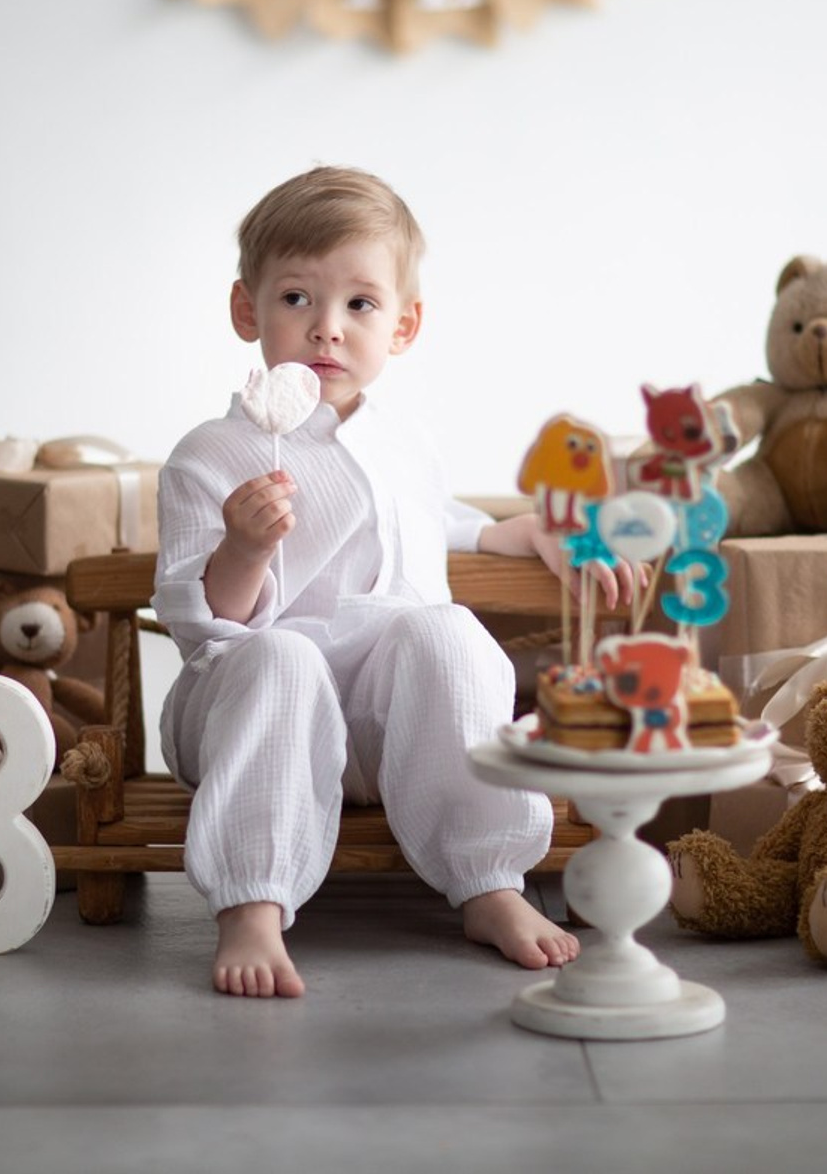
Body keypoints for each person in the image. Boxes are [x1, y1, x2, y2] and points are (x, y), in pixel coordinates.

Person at [152, 166, 635, 998]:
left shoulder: (403, 445)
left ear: (404, 325)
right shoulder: (211, 455)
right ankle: (251, 902)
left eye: (360, 306)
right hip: (248, 710)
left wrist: (515, 532)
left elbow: (422, 523)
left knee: (447, 632)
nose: (327, 330)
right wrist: (242, 549)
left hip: (382, 732)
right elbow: (207, 624)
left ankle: (487, 879)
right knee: (283, 658)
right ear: (247, 310)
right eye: (297, 299)